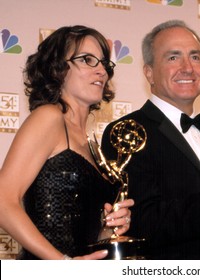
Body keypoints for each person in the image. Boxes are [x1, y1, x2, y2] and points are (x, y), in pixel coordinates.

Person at [101, 20, 200, 259]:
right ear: (148, 72)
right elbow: (138, 221)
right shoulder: (127, 132)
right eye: (173, 58)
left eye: (194, 57)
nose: (187, 68)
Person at [0, 25, 134, 260]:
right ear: (58, 69)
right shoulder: (49, 117)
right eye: (87, 59)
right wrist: (61, 264)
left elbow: (82, 235)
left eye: (104, 62)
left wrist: (109, 227)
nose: (101, 70)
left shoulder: (92, 144)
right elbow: (3, 199)